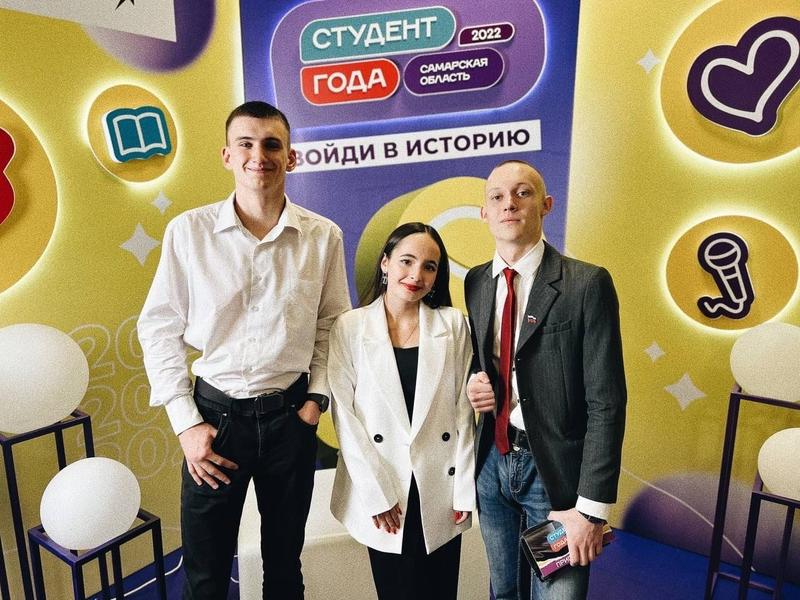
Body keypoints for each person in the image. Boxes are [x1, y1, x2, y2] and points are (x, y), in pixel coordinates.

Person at [137, 101, 351, 599]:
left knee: (284, 568)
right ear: (227, 155)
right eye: (246, 144)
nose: (260, 156)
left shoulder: (323, 236)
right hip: (214, 425)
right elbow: (159, 327)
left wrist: (316, 401)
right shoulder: (188, 232)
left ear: (290, 156)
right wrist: (186, 424)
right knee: (206, 577)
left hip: (290, 421)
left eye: (272, 144)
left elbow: (332, 326)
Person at [465, 160, 626, 600]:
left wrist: (590, 510)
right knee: (504, 592)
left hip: (555, 479)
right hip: (493, 467)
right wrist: (476, 385)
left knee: (556, 595)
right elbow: (491, 362)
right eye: (497, 196)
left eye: (523, 193)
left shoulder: (586, 284)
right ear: (484, 212)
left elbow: (607, 402)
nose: (509, 204)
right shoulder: (477, 282)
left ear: (546, 205)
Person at [328, 222, 476, 600]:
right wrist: (376, 493)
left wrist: (463, 491)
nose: (416, 275)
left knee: (441, 592)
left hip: (439, 488)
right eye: (406, 261)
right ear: (385, 263)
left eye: (429, 266)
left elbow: (463, 413)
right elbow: (345, 415)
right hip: (384, 488)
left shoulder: (453, 324)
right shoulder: (350, 326)